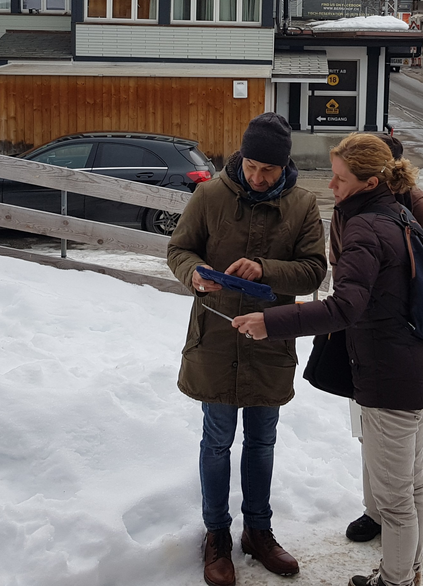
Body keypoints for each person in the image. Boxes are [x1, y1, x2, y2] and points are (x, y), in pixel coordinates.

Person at [234, 133, 423, 586]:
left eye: (339, 178)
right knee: (411, 488)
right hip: (419, 368)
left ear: (368, 182)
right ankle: (406, 573)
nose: (330, 187)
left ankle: (395, 581)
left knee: (394, 501)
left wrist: (270, 322)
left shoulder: (366, 228)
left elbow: (344, 306)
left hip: (390, 381)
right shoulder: (398, 212)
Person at [167, 113, 328, 586]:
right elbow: (179, 250)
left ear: (285, 167)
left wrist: (266, 269)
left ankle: (259, 531)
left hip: (269, 341)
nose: (258, 178)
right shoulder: (210, 195)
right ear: (242, 157)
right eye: (253, 166)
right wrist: (194, 273)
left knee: (262, 441)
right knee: (217, 441)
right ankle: (217, 535)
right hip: (216, 338)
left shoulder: (302, 206)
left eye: (269, 171)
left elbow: (314, 270)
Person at [345, 133, 423, 555]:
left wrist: (415, 329)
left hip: (414, 353)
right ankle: (377, 510)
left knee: (421, 448)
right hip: (365, 347)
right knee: (372, 434)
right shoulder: (351, 212)